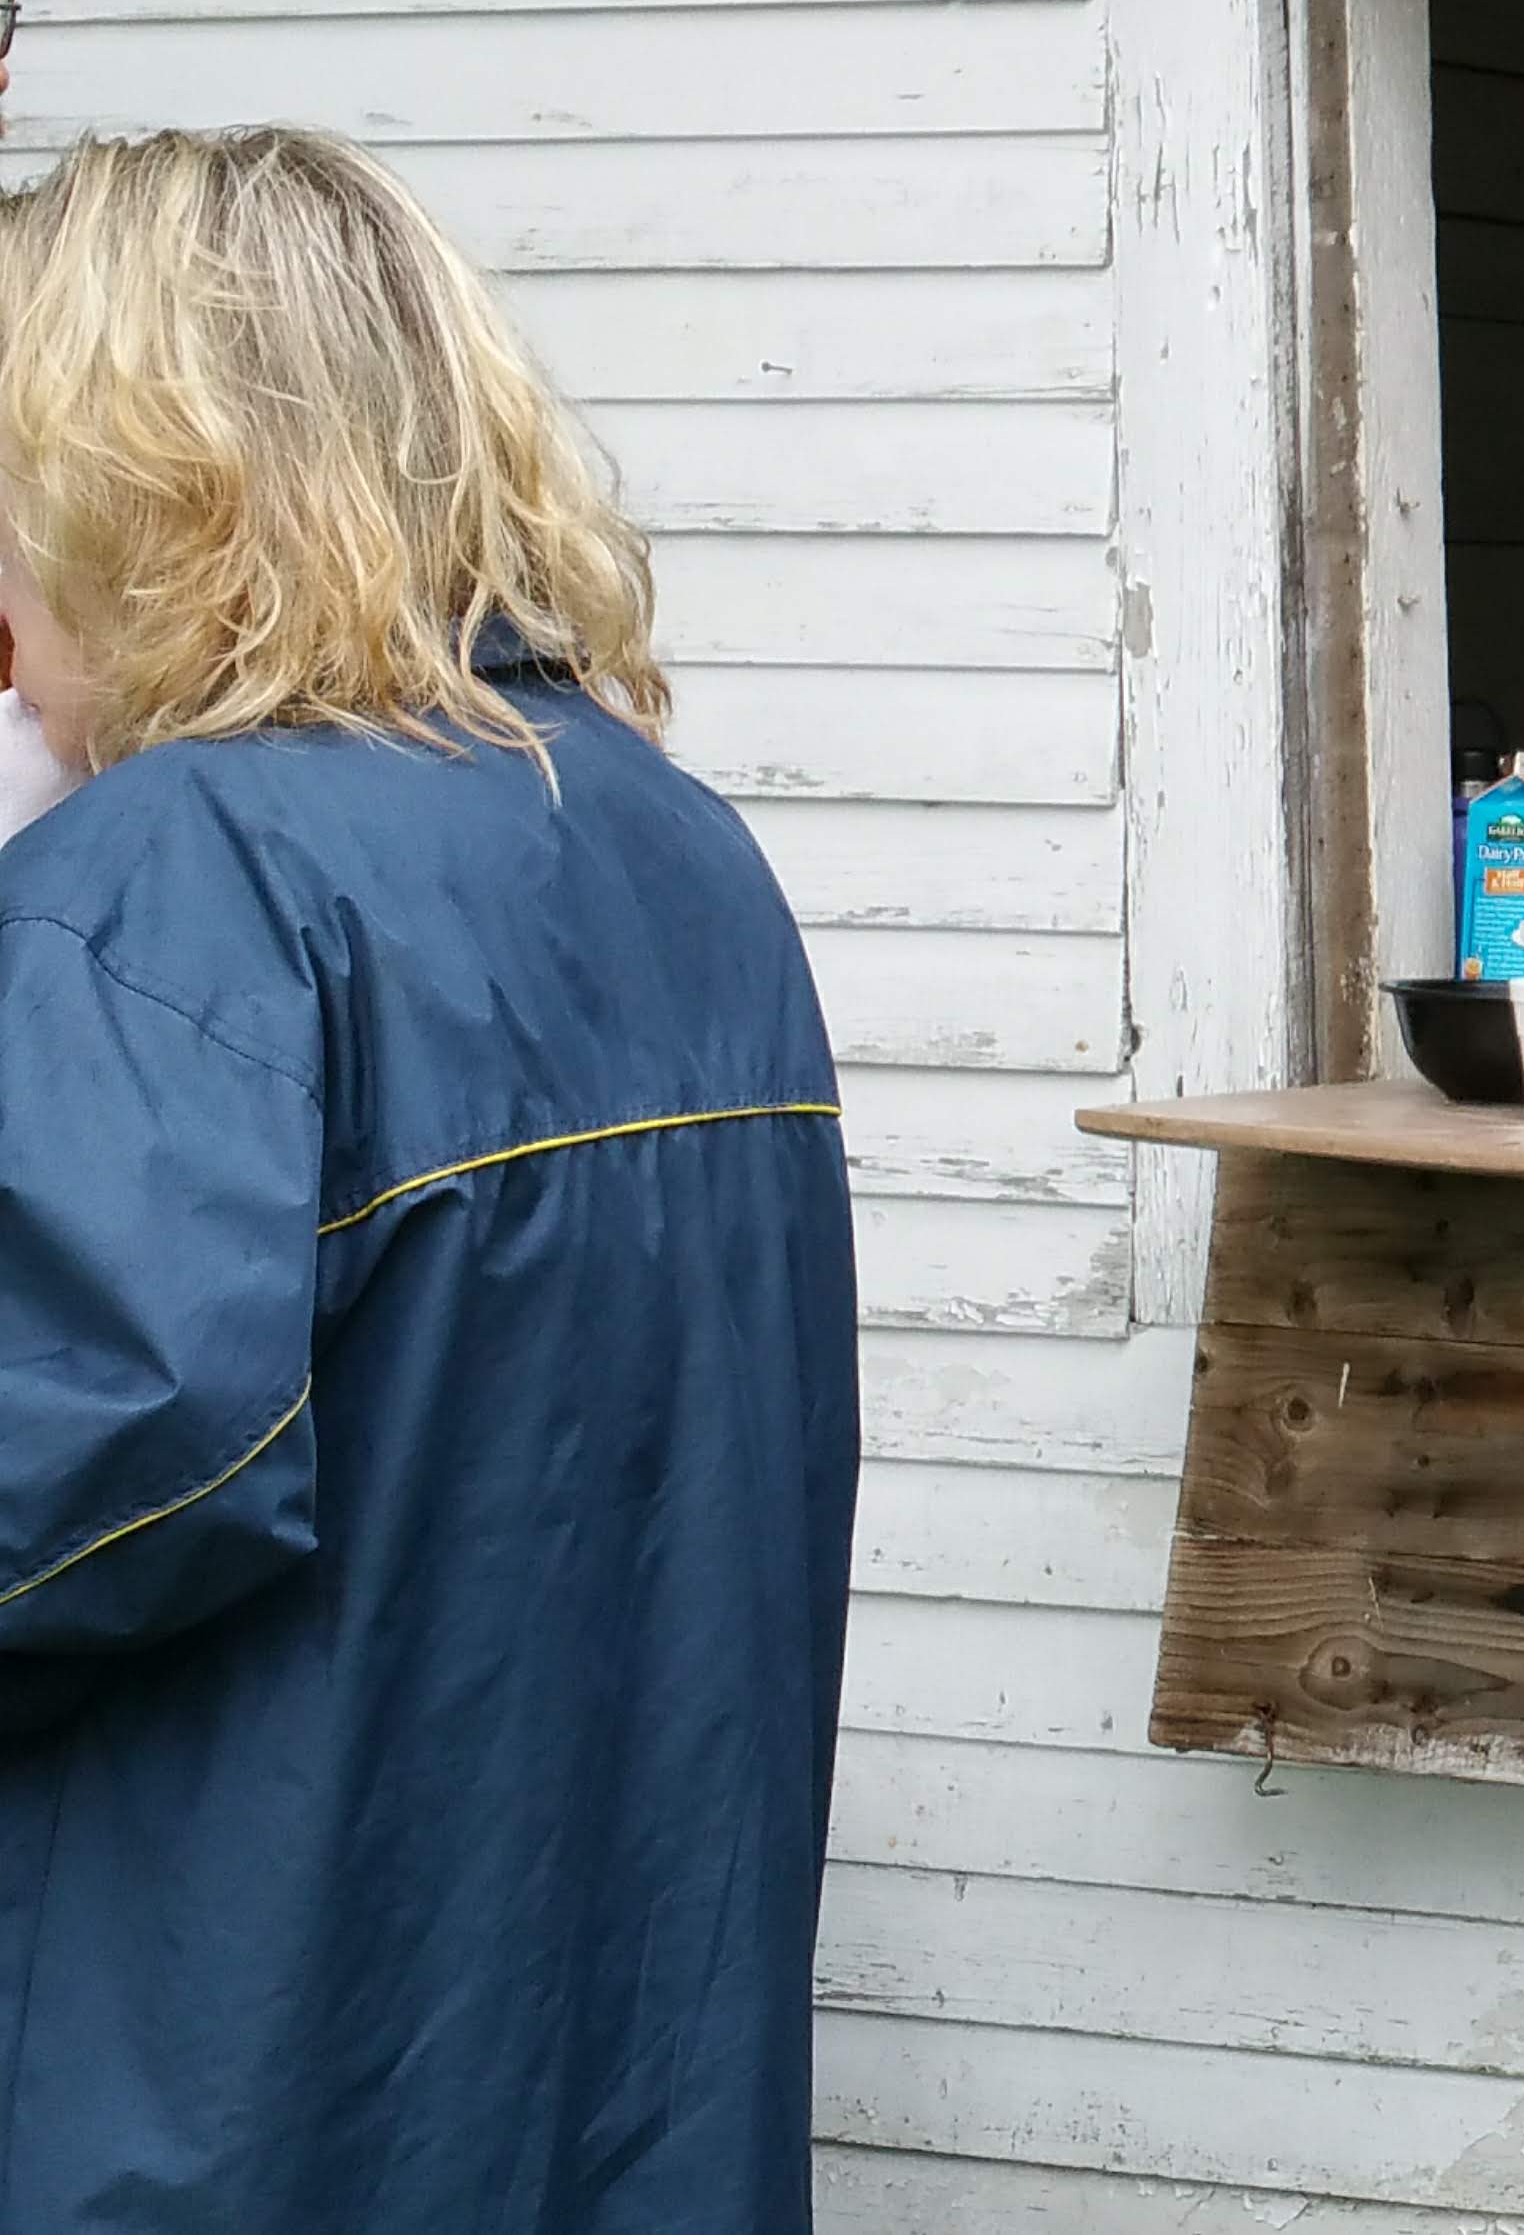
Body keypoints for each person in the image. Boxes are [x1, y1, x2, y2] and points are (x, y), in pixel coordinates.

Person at [0, 130, 856, 2232]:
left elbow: (75, 1474)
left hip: (230, 2083)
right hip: (613, 2078)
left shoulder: (174, 881)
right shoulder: (671, 844)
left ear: (127, 485)